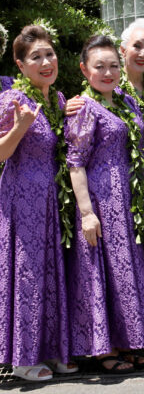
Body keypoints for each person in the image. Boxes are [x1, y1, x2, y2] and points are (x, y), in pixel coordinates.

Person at [65, 35, 144, 373]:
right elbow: (75, 163)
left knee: (125, 271)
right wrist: (86, 213)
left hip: (130, 202)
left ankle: (126, 341)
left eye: (113, 65)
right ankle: (103, 348)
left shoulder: (127, 101)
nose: (108, 72)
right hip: (101, 200)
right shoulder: (83, 108)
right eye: (100, 67)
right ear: (85, 70)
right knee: (103, 272)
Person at [0, 25, 77, 381]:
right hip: (23, 201)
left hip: (52, 203)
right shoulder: (12, 100)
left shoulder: (57, 100)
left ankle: (52, 350)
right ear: (20, 64)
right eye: (36, 57)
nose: (46, 62)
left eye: (49, 54)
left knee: (51, 274)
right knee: (28, 275)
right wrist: (19, 127)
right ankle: (22, 360)